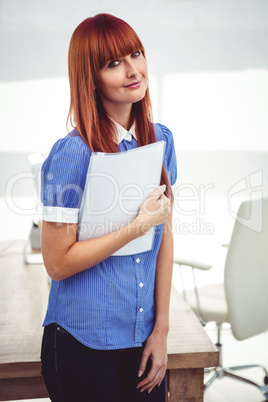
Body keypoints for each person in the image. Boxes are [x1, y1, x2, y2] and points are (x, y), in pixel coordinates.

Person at [40, 13, 177, 402]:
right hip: (80, 343)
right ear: (91, 77)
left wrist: (161, 330)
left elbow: (165, 236)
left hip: (142, 338)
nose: (133, 70)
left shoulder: (161, 140)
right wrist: (136, 227)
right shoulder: (73, 153)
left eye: (136, 54)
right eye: (113, 63)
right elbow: (57, 263)